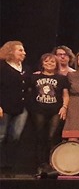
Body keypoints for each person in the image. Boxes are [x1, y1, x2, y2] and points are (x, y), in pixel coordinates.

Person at [29, 53, 70, 173]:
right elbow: (30, 93)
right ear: (42, 63)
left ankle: (53, 164)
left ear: (56, 64)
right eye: (46, 61)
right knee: (40, 137)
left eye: (52, 62)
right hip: (39, 110)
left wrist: (64, 107)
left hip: (56, 111)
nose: (49, 64)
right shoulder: (34, 77)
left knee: (52, 137)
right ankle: (41, 165)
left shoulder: (62, 78)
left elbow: (65, 95)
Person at [0, 41, 29, 174]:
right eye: (20, 50)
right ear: (11, 51)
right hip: (4, 107)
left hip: (21, 108)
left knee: (15, 136)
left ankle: (9, 166)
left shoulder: (25, 68)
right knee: (1, 136)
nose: (24, 53)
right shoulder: (2, 67)